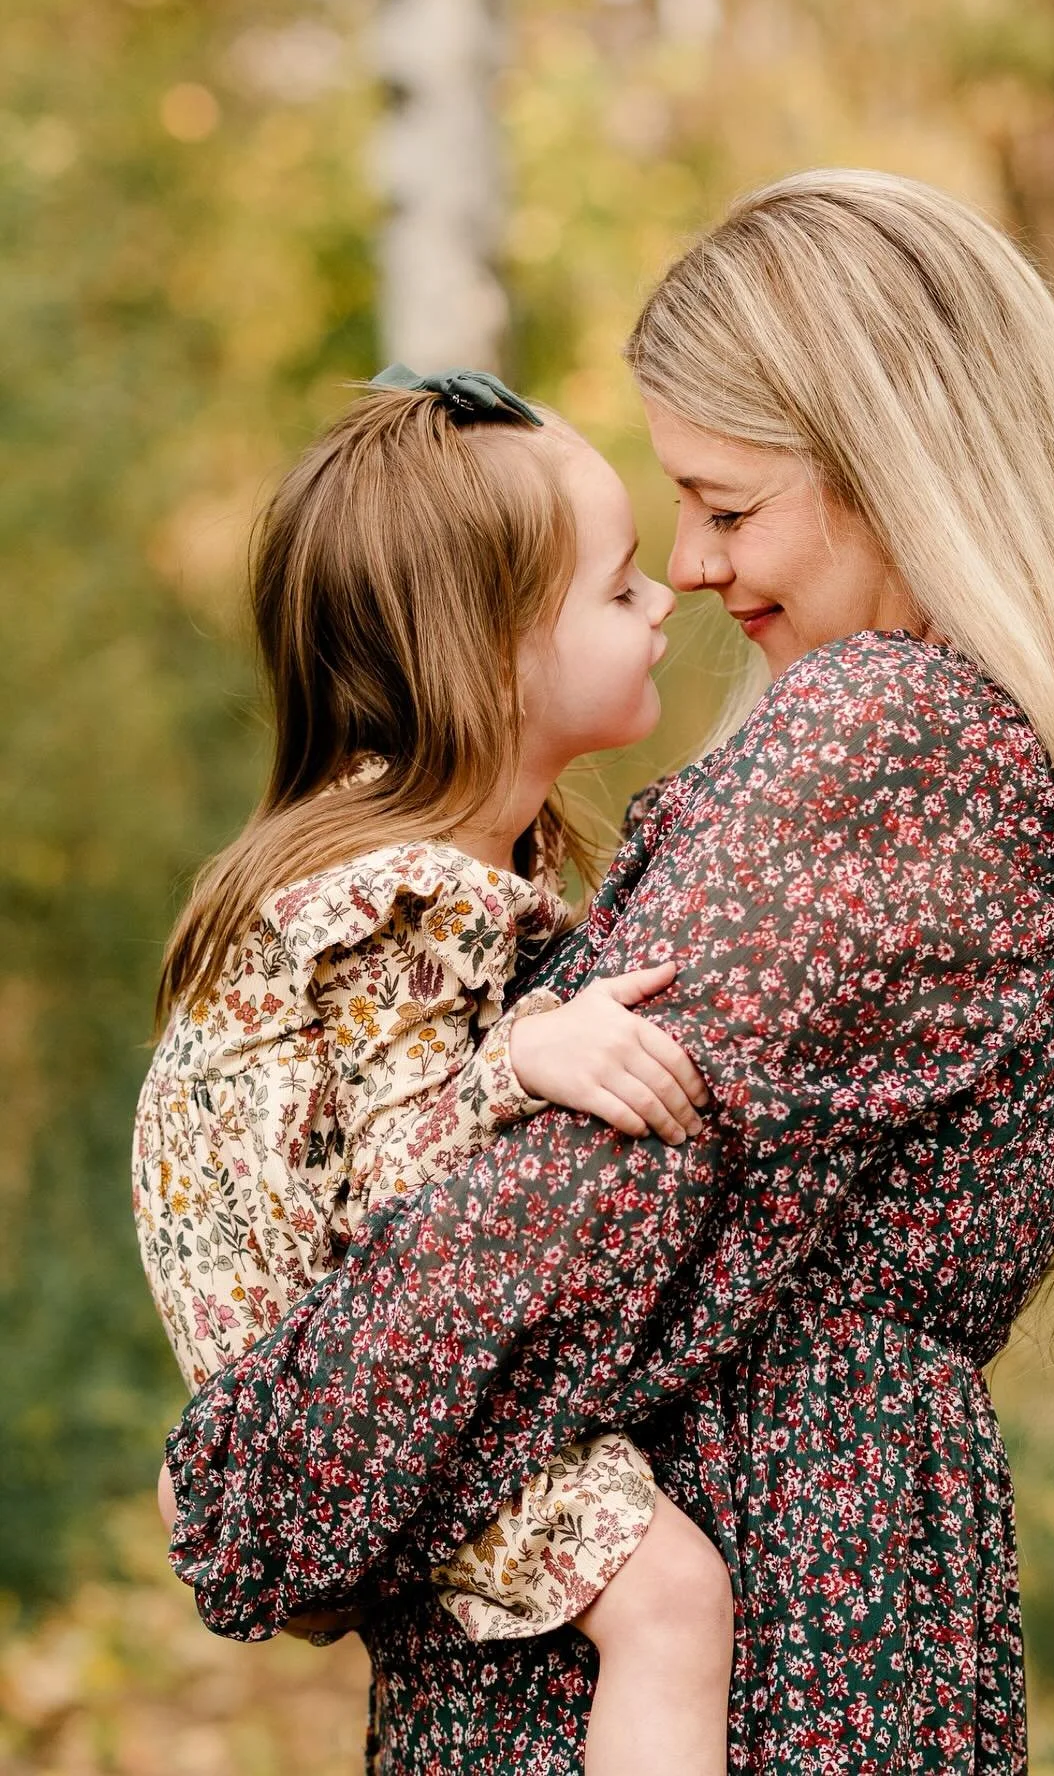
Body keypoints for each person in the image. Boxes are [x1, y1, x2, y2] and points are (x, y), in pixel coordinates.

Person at [159, 171, 1054, 1772]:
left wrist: (254, 1489)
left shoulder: (883, 745)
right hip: (841, 1619)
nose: (685, 566)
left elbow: (540, 1242)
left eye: (727, 506)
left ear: (899, 467)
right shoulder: (960, 749)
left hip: (774, 1649)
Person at [133, 366, 735, 1776]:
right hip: (358, 1400)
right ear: (496, 655)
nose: (666, 604)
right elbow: (417, 1219)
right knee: (674, 1602)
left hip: (351, 1382)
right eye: (620, 587)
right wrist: (523, 1057)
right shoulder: (411, 896)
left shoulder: (394, 847)